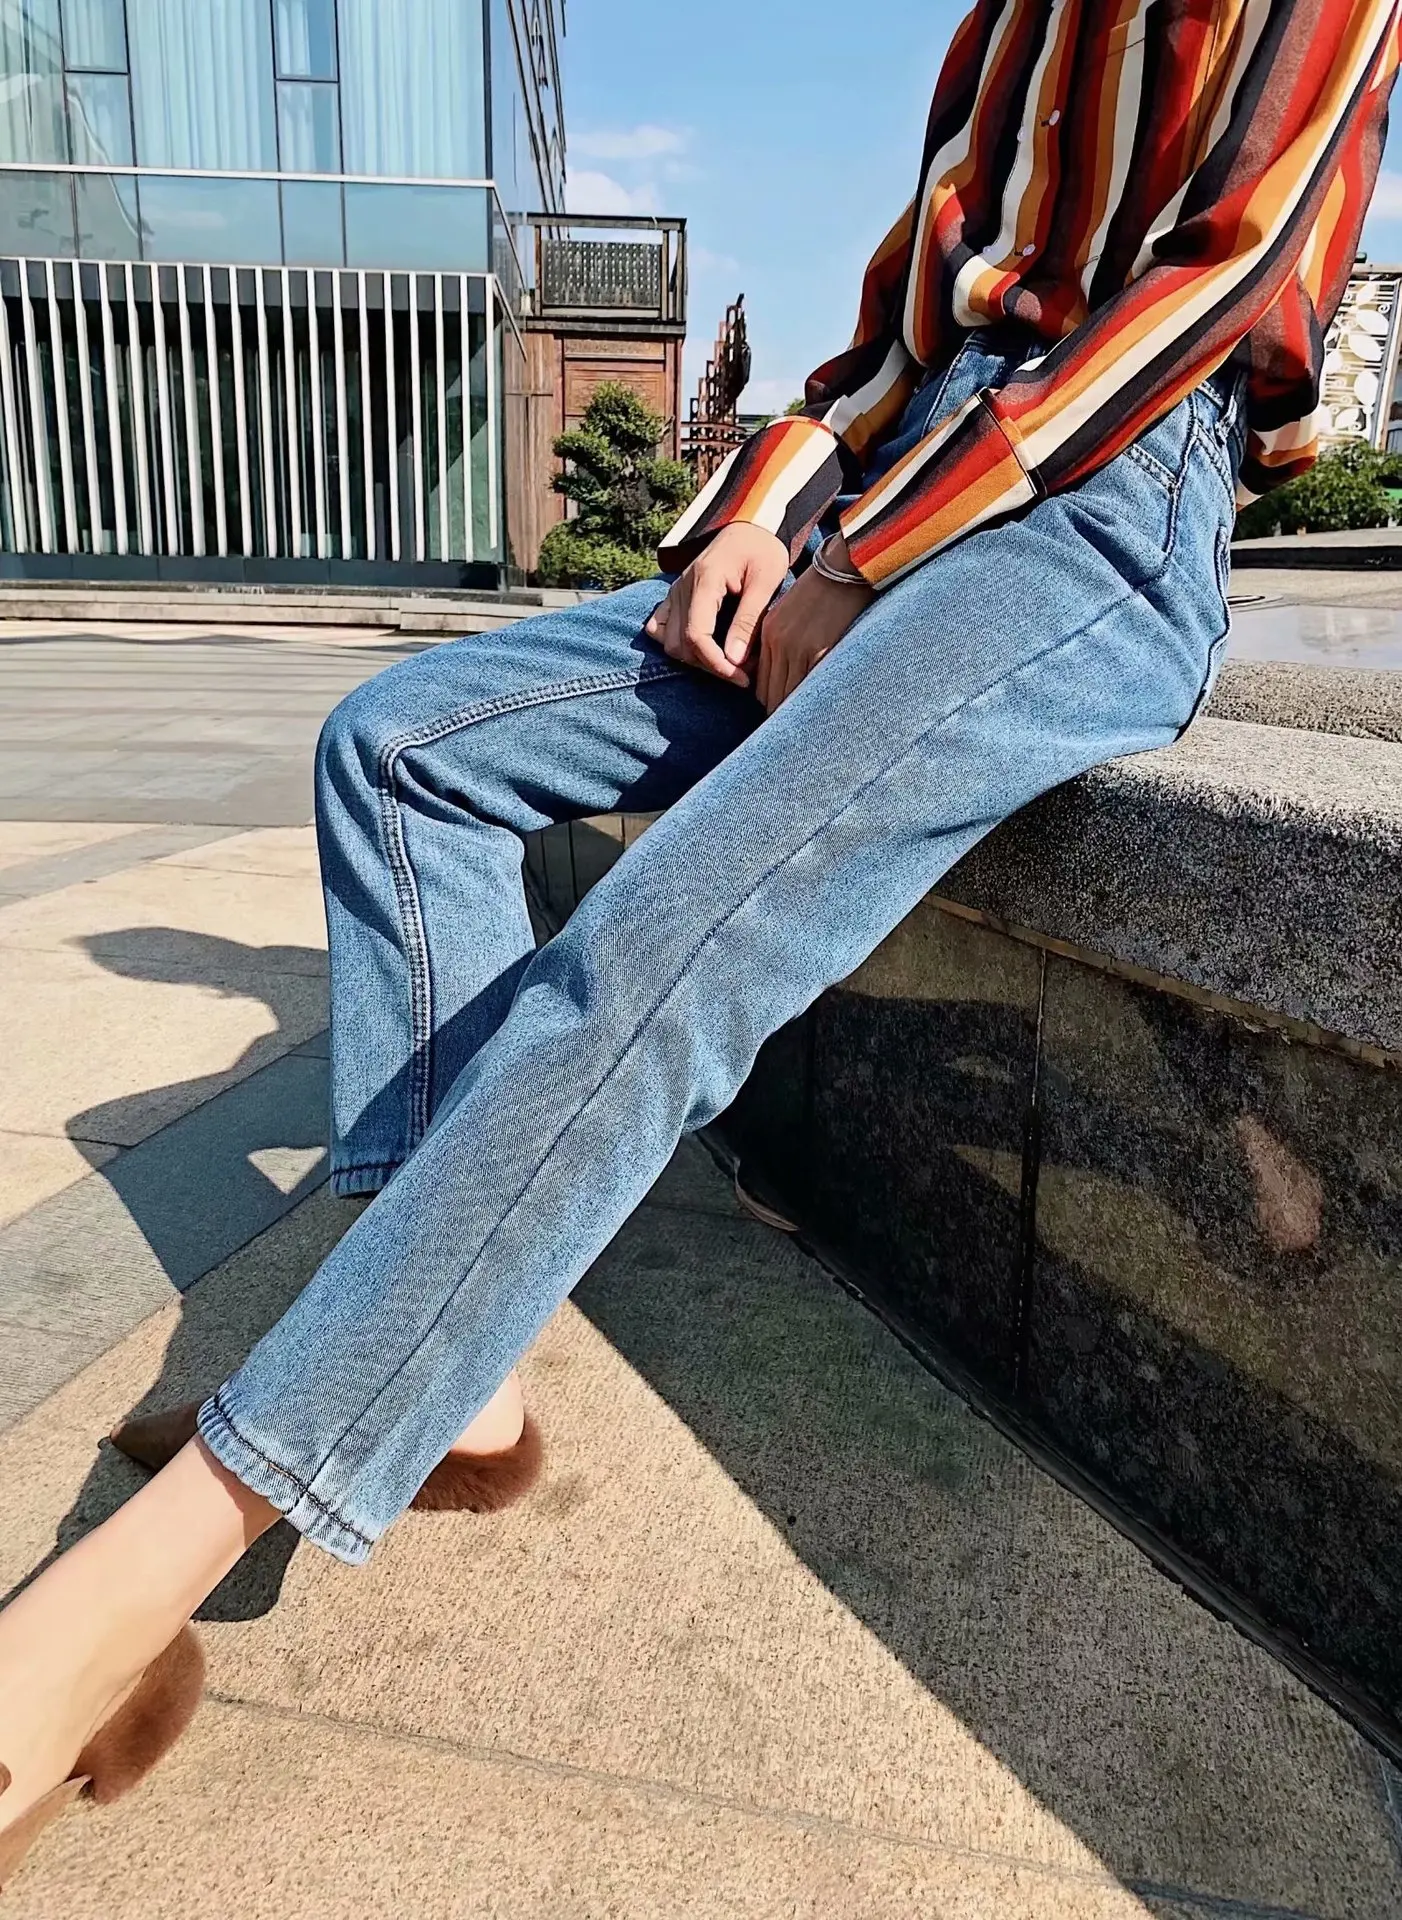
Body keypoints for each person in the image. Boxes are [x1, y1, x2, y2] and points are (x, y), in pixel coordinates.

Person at [2, 0, 1398, 1880]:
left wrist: (871, 554)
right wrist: (768, 505)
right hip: (905, 486)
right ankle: (451, 1379)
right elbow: (895, 339)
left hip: (1093, 516)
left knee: (662, 936)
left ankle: (127, 1600)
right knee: (398, 749)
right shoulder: (1005, 28)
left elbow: (1214, 296)